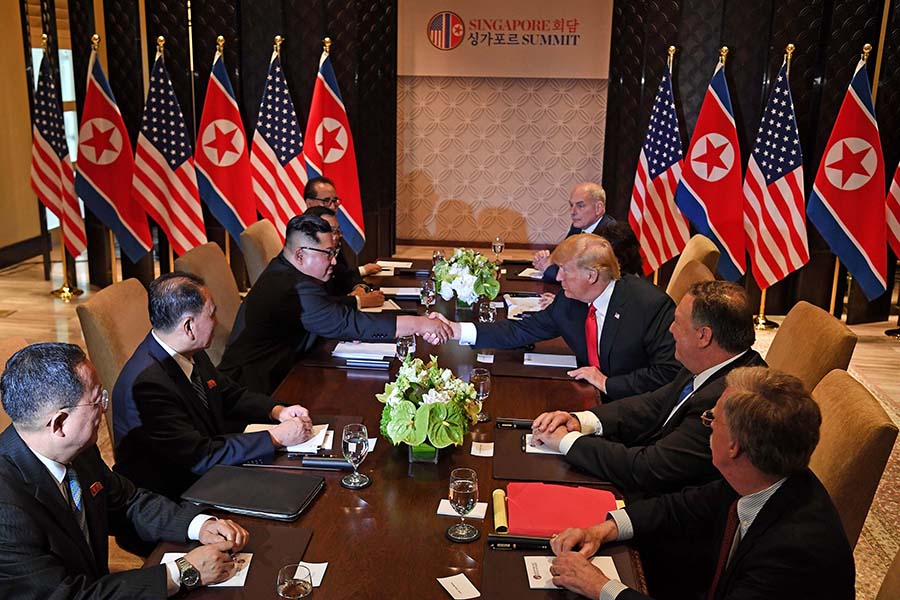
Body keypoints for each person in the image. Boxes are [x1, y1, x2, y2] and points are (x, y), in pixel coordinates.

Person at [548, 367, 855, 600]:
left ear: (734, 446)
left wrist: (601, 587)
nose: (705, 425)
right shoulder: (759, 476)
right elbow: (681, 507)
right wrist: (603, 530)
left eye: (712, 419)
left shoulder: (794, 553)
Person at [0, 342, 249, 599]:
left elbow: (127, 502)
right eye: (98, 401)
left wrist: (199, 525)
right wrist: (183, 571)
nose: (105, 408)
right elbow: (71, 595)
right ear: (60, 423)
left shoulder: (79, 451)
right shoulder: (6, 510)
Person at [531, 280, 765, 498]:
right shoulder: (708, 363)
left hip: (668, 505)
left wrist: (566, 442)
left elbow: (649, 469)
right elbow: (653, 403)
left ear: (703, 336)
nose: (671, 329)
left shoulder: (727, 400)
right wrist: (580, 420)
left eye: (678, 322)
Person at [112, 272, 314, 499]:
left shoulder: (187, 350)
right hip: (177, 495)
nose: (217, 323)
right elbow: (199, 456)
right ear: (188, 326)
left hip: (211, 469)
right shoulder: (148, 386)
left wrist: (277, 410)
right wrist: (275, 438)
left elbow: (227, 394)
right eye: (211, 315)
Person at [219, 213, 452, 393]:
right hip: (256, 387)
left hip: (287, 368)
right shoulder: (293, 285)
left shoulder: (289, 270)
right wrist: (419, 325)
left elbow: (333, 314)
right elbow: (346, 322)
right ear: (300, 255)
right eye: (328, 253)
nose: (333, 262)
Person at [445, 234, 680, 399]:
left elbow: (668, 372)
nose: (558, 278)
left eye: (565, 270)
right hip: (588, 397)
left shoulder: (649, 306)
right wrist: (456, 330)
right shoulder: (569, 302)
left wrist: (608, 383)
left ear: (591, 275)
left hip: (633, 406)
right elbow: (518, 330)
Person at [303, 205, 384, 309]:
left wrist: (359, 288)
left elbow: (345, 274)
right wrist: (358, 301)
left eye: (337, 231)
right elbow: (315, 303)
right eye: (331, 230)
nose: (337, 236)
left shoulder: (331, 251)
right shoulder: (305, 259)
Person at [534, 182, 615, 282]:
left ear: (598, 208)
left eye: (580, 206)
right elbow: (563, 258)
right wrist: (546, 260)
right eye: (571, 205)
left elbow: (582, 277)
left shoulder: (610, 233)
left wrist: (547, 268)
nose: (572, 212)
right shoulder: (577, 228)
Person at [304, 176, 380, 276]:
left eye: (335, 201)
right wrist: (363, 271)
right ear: (309, 203)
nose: (332, 207)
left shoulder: (334, 228)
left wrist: (360, 286)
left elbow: (341, 269)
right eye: (326, 201)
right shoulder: (303, 231)